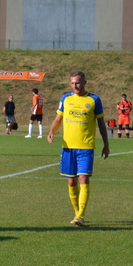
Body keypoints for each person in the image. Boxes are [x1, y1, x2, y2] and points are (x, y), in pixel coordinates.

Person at [47, 71, 110, 227]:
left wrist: (106, 144)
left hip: (86, 147)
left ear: (85, 82)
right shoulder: (66, 99)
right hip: (68, 147)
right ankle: (77, 212)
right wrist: (51, 132)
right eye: (73, 83)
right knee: (71, 182)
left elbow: (101, 123)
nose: (75, 86)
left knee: (83, 178)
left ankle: (80, 215)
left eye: (78, 83)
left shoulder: (94, 100)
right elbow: (58, 118)